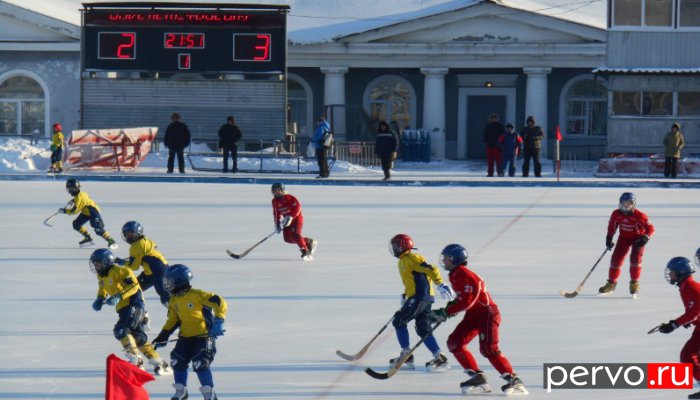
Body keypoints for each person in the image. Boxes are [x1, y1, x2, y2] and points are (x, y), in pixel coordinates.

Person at [428, 244, 528, 395]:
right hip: (473, 315)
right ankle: (477, 377)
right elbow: (462, 298)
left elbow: (469, 301)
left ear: (455, 259)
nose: (444, 261)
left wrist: (446, 312)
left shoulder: (463, 274)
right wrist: (449, 308)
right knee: (455, 342)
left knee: (488, 349)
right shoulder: (455, 274)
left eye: (447, 258)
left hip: (487, 313)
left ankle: (513, 379)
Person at [89, 248, 172, 376]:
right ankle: (160, 363)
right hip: (123, 308)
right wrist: (100, 298)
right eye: (94, 263)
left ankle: (137, 361)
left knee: (121, 330)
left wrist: (118, 296)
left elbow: (133, 286)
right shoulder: (101, 275)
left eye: (98, 263)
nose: (95, 266)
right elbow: (102, 288)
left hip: (134, 303)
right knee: (138, 337)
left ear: (106, 261)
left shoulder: (121, 270)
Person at [152, 265, 227, 400]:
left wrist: (219, 321)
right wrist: (163, 335)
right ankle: (181, 390)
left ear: (180, 281)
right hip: (185, 338)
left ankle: (209, 393)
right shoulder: (174, 300)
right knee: (176, 361)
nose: (167, 285)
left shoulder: (197, 295)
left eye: (170, 282)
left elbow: (219, 302)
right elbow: (173, 320)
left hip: (203, 337)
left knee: (200, 362)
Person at [387, 234, 454, 371]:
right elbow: (412, 281)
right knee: (422, 327)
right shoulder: (403, 261)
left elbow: (431, 269)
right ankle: (440, 357)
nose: (393, 249)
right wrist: (405, 295)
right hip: (420, 297)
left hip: (419, 297)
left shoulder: (412, 258)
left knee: (399, 320)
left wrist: (440, 284)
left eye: (395, 246)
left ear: (402, 246)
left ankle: (406, 354)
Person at [656, 256, 700, 399]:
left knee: (688, 355)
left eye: (672, 272)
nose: (669, 274)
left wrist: (675, 324)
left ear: (680, 272)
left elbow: (695, 311)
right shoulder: (686, 286)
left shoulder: (690, 288)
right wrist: (687, 320)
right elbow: (694, 310)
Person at [598, 192, 655, 296]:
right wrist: (609, 238)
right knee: (616, 259)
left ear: (633, 204)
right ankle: (611, 284)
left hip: (638, 239)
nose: (625, 206)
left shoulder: (640, 216)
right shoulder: (616, 214)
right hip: (624, 238)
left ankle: (634, 283)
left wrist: (646, 237)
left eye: (628, 204)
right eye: (623, 203)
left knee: (635, 259)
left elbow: (651, 228)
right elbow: (612, 226)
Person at [118, 221, 170, 306]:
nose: (127, 236)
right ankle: (141, 313)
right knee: (135, 288)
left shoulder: (135, 246)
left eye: (130, 234)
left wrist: (123, 263)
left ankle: (178, 315)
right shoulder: (146, 240)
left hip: (158, 273)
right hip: (152, 272)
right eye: (126, 234)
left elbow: (134, 267)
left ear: (137, 233)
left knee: (166, 298)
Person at [59, 178, 117, 249]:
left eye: (71, 189)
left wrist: (64, 211)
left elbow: (74, 211)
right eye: (69, 188)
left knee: (98, 229)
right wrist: (73, 201)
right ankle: (88, 238)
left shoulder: (79, 199)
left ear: (75, 188)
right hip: (86, 212)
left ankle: (111, 241)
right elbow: (83, 197)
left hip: (93, 212)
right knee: (76, 224)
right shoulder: (80, 194)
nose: (69, 191)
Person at [271, 182, 317, 260]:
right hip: (287, 221)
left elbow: (298, 207)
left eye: (278, 190)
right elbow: (276, 213)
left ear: (282, 190)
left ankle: (304, 250)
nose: (277, 192)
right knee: (287, 239)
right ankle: (308, 241)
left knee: (296, 234)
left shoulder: (289, 197)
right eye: (275, 190)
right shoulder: (274, 201)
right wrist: (277, 224)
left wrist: (291, 216)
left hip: (297, 219)